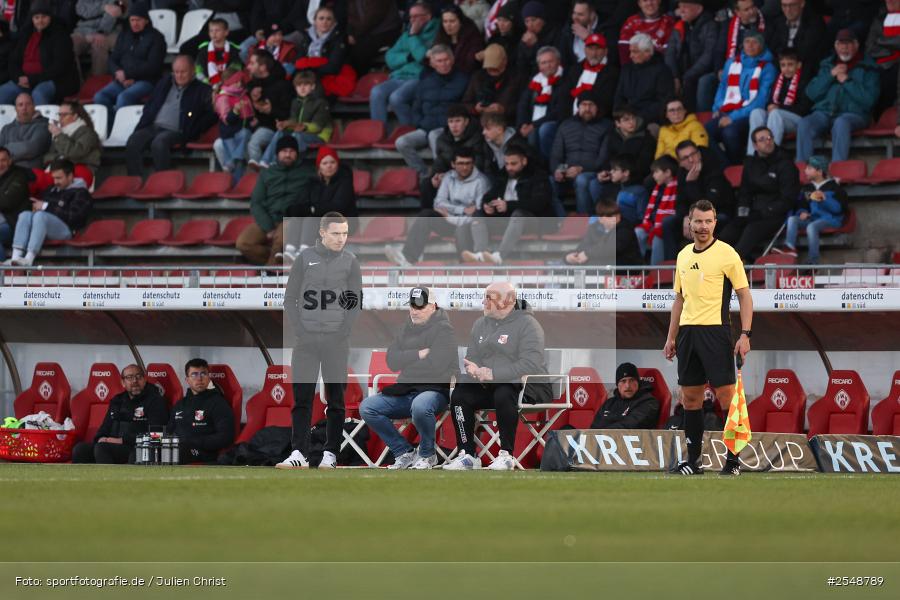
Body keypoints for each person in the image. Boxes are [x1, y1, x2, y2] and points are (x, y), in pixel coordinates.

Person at [664, 198, 754, 476]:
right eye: (698, 221)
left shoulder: (727, 254)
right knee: (689, 398)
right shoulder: (682, 256)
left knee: (726, 397)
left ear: (715, 223)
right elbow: (679, 300)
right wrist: (670, 338)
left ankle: (733, 462)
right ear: (689, 223)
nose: (703, 226)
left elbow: (744, 295)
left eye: (708, 221)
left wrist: (745, 334)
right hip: (688, 334)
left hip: (716, 332)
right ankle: (694, 461)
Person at [279, 212, 362, 470]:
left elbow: (355, 302)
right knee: (302, 399)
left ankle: (330, 454)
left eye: (345, 233)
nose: (341, 238)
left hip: (336, 342)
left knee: (336, 401)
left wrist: (342, 331)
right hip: (306, 342)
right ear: (322, 233)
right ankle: (299, 454)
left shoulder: (351, 261)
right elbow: (290, 298)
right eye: (336, 233)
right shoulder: (304, 259)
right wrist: (300, 331)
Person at [445, 281, 552, 470]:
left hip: (525, 386)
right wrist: (475, 370)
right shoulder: (480, 323)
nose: (483, 302)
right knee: (460, 394)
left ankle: (506, 455)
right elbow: (471, 358)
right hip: (487, 385)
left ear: (506, 301)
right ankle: (467, 454)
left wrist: (493, 373)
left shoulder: (528, 324)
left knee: (504, 389)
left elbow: (530, 363)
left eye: (489, 298)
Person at [359, 286, 459, 470]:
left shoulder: (445, 330)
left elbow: (436, 366)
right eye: (412, 306)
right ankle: (403, 451)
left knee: (420, 406)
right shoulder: (404, 328)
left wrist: (406, 359)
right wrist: (419, 354)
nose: (414, 310)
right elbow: (391, 361)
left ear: (433, 306)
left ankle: (428, 455)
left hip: (436, 390)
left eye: (419, 306)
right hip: (406, 390)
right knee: (367, 407)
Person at [386, 147, 489, 266]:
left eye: (468, 163)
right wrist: (463, 209)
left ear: (473, 164)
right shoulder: (449, 177)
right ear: (453, 164)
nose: (465, 167)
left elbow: (478, 215)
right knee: (427, 215)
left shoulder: (481, 182)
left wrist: (449, 215)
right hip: (450, 222)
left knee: (463, 228)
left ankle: (466, 269)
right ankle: (408, 259)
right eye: (461, 163)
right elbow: (439, 203)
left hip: (468, 226)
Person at [795, 29, 880, 162]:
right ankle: (802, 173)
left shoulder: (868, 67)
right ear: (836, 46)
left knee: (841, 123)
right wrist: (830, 75)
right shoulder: (827, 65)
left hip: (854, 114)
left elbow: (869, 101)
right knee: (805, 123)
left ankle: (838, 172)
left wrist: (847, 81)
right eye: (841, 44)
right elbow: (811, 93)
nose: (844, 47)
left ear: (856, 46)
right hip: (824, 112)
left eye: (848, 44)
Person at [124, 55, 217, 176]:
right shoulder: (164, 83)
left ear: (193, 71)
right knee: (133, 141)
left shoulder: (202, 90)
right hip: (153, 126)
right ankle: (134, 181)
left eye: (183, 72)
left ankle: (163, 182)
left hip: (177, 130)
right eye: (176, 72)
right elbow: (150, 104)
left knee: (159, 142)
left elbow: (211, 115)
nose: (179, 75)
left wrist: (195, 126)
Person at [720, 126, 799, 261]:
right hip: (752, 212)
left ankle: (729, 271)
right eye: (762, 140)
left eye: (769, 138)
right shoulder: (750, 164)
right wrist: (742, 214)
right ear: (755, 145)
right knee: (728, 232)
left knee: (751, 229)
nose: (767, 142)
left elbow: (788, 199)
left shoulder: (786, 164)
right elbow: (744, 193)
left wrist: (763, 213)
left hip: (775, 214)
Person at [463, 145, 552, 264]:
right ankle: (480, 254)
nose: (509, 167)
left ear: (524, 161)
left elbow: (539, 204)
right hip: (506, 221)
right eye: (507, 164)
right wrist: (487, 205)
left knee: (518, 214)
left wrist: (509, 205)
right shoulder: (502, 175)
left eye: (513, 164)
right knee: (478, 214)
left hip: (532, 221)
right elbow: (489, 195)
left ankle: (499, 256)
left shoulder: (538, 176)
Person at [394, 45, 469, 178]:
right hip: (425, 127)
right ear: (433, 63)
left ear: (452, 60)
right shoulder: (426, 82)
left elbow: (465, 106)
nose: (443, 64)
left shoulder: (463, 79)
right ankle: (425, 176)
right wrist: (419, 123)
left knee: (434, 136)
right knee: (401, 142)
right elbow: (416, 107)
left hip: (448, 128)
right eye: (439, 61)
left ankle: (441, 176)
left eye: (446, 60)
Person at [71, 364, 168, 465]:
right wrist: (101, 438)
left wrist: (121, 440)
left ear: (144, 379)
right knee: (80, 450)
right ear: (123, 383)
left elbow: (156, 435)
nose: (135, 381)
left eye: (138, 377)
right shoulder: (117, 400)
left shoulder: (156, 401)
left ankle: (108, 480)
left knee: (102, 448)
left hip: (135, 446)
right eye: (129, 378)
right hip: (112, 445)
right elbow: (105, 426)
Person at [237, 135, 310, 266]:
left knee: (280, 241)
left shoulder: (307, 173)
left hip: (291, 219)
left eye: (292, 151)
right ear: (277, 153)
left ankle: (270, 274)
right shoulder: (267, 173)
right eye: (284, 151)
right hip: (268, 218)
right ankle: (276, 263)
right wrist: (268, 227)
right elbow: (256, 202)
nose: (288, 154)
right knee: (243, 243)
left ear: (297, 154)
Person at [707, 32, 777, 166]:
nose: (750, 45)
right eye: (747, 41)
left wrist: (733, 117)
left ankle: (737, 165)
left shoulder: (768, 68)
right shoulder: (731, 62)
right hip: (726, 110)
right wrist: (717, 107)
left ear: (762, 45)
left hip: (748, 114)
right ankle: (726, 166)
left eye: (755, 42)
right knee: (703, 133)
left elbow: (760, 101)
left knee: (729, 132)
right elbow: (723, 86)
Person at [4, 158, 91, 266]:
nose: (55, 182)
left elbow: (74, 217)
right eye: (54, 178)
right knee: (25, 214)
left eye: (59, 178)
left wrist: (45, 206)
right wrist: (35, 207)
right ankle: (15, 257)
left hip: (67, 231)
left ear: (70, 176)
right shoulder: (51, 190)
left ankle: (29, 258)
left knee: (41, 216)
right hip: (43, 229)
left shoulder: (81, 193)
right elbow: (43, 208)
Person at [369, 2, 439, 125]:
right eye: (411, 17)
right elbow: (390, 58)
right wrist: (407, 57)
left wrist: (413, 36)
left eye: (416, 16)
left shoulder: (436, 32)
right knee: (376, 92)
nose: (412, 20)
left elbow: (422, 56)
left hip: (420, 77)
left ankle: (410, 130)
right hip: (400, 76)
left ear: (428, 16)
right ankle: (378, 133)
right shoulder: (407, 33)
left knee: (396, 98)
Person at [284, 146, 358, 260]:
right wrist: (296, 210)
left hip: (343, 222)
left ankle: (304, 250)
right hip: (321, 223)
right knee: (298, 217)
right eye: (325, 163)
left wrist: (312, 209)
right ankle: (290, 250)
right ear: (319, 166)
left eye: (332, 162)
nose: (329, 166)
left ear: (337, 164)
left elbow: (338, 207)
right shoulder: (313, 183)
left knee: (311, 218)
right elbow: (300, 202)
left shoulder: (345, 181)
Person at [664, 140, 734, 259]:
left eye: (693, 154)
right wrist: (687, 216)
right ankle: (672, 269)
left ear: (699, 154)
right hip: (694, 216)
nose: (691, 160)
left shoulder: (714, 168)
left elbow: (710, 204)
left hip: (719, 213)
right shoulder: (683, 173)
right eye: (686, 158)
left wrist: (691, 184)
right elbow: (680, 203)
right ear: (680, 163)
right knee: (668, 223)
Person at [92, 2, 166, 112]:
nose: (135, 24)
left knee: (123, 97)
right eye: (132, 20)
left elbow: (153, 66)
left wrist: (128, 75)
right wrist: (118, 72)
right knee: (100, 97)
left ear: (146, 20)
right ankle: (112, 126)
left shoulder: (157, 38)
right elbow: (113, 59)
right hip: (122, 80)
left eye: (138, 20)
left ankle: (121, 128)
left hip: (146, 81)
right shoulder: (124, 35)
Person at [773, 155, 848, 263]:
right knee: (792, 219)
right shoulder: (807, 188)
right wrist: (803, 212)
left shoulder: (835, 188)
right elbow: (802, 204)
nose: (805, 171)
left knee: (811, 227)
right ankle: (790, 248)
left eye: (809, 168)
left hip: (831, 219)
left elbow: (838, 210)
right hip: (813, 217)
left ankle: (813, 261)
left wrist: (824, 199)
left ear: (819, 171)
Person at [0, 0, 78, 105]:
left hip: (54, 80)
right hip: (25, 80)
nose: (40, 21)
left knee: (39, 93)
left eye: (44, 17)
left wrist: (32, 79)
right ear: (32, 19)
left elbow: (60, 66)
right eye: (36, 17)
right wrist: (18, 77)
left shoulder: (60, 35)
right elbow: (14, 60)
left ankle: (42, 121)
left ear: (50, 17)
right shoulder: (26, 34)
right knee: (3, 92)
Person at [550, 92, 612, 217]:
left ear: (597, 107)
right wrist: (559, 170)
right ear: (578, 107)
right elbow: (556, 154)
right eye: (584, 105)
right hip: (566, 172)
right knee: (549, 181)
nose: (587, 109)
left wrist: (581, 169)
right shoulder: (566, 125)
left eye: (591, 105)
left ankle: (584, 222)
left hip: (592, 172)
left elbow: (603, 157)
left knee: (582, 180)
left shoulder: (607, 126)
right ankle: (561, 220)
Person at [259, 70, 333, 168]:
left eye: (306, 85)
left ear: (313, 87)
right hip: (300, 133)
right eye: (299, 85)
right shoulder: (295, 102)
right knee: (280, 133)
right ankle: (266, 162)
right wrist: (285, 124)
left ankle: (293, 165)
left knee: (296, 136)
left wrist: (303, 126)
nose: (302, 88)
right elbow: (293, 120)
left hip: (319, 137)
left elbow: (317, 127)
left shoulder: (321, 103)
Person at [168, 358, 236, 464]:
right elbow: (169, 431)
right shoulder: (180, 404)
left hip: (204, 453)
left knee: (178, 452)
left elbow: (226, 436)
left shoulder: (218, 403)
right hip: (178, 448)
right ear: (187, 380)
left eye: (203, 374)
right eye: (194, 374)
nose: (199, 378)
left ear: (209, 378)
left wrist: (194, 442)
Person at [746, 49, 812, 153]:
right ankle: (753, 154)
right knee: (756, 112)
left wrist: (778, 108)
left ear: (798, 65)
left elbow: (804, 109)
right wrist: (770, 106)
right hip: (777, 117)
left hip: (797, 120)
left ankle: (771, 154)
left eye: (790, 64)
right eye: (783, 65)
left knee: (775, 114)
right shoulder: (778, 80)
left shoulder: (805, 81)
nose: (786, 69)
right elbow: (770, 101)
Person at [424, 104, 487, 209]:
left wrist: (450, 176)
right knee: (427, 183)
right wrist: (436, 176)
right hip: (450, 176)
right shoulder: (442, 139)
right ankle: (430, 217)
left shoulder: (477, 137)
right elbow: (440, 162)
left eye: (458, 121)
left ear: (466, 122)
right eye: (450, 121)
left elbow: (479, 164)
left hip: (471, 177)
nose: (454, 126)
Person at [665, 0, 720, 112]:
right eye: (680, 7)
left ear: (699, 9)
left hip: (703, 73)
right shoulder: (679, 25)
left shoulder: (710, 25)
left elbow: (708, 57)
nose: (681, 10)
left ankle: (701, 118)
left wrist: (687, 76)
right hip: (683, 73)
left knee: (702, 81)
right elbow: (670, 53)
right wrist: (675, 76)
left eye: (685, 7)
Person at [245, 49, 293, 170]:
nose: (248, 66)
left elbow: (288, 114)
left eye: (252, 63)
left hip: (275, 128)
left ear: (263, 67)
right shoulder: (252, 85)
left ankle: (261, 175)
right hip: (254, 127)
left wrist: (271, 110)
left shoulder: (283, 86)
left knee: (254, 143)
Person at [516, 45, 566, 161]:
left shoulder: (565, 79)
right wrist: (522, 124)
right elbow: (523, 104)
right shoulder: (535, 80)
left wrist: (534, 125)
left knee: (541, 130)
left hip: (554, 123)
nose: (547, 66)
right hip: (533, 123)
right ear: (538, 65)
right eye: (543, 63)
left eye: (550, 61)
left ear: (558, 61)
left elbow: (559, 110)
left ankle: (546, 165)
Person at [614, 33, 675, 126]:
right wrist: (620, 116)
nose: (630, 56)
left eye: (635, 52)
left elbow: (663, 102)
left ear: (647, 52)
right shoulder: (626, 69)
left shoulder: (662, 71)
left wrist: (638, 118)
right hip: (626, 119)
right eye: (630, 51)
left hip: (650, 121)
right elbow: (619, 96)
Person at [293, 5, 350, 98]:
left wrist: (310, 68)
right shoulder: (307, 37)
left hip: (328, 77)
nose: (325, 22)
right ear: (315, 21)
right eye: (321, 18)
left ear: (334, 22)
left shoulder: (340, 38)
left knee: (312, 88)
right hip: (308, 75)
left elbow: (333, 67)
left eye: (329, 19)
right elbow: (299, 60)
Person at [560, 33, 618, 120]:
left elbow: (608, 102)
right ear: (585, 50)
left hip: (598, 121)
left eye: (598, 49)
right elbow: (564, 96)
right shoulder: (575, 70)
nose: (594, 53)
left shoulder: (612, 73)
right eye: (590, 49)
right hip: (570, 119)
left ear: (606, 51)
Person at [566, 201, 643, 266]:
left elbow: (612, 248)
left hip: (623, 269)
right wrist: (568, 257)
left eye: (617, 215)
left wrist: (587, 254)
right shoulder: (594, 228)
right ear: (600, 218)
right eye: (610, 216)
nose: (616, 218)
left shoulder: (625, 228)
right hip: (600, 266)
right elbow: (582, 247)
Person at [211, 67, 253, 184]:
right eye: (236, 82)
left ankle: (233, 161)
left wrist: (253, 121)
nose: (240, 84)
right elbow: (227, 120)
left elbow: (249, 116)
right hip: (229, 134)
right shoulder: (223, 97)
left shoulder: (244, 95)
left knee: (244, 135)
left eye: (241, 81)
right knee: (237, 161)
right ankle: (235, 182)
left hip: (241, 133)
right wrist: (235, 111)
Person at [635, 156, 678, 266]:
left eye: (656, 172)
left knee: (657, 237)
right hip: (652, 224)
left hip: (665, 227)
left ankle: (656, 275)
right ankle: (636, 270)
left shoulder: (678, 187)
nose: (653, 175)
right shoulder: (657, 188)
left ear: (667, 172)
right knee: (638, 232)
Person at [590, 362, 660, 429]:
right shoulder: (609, 404)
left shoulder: (649, 402)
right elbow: (594, 429)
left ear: (638, 383)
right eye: (623, 381)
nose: (627, 386)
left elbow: (631, 425)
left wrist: (603, 432)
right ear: (617, 385)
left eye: (632, 380)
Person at [42, 101, 101, 179]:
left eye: (64, 115)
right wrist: (59, 158)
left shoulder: (87, 132)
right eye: (59, 114)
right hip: (61, 167)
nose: (60, 118)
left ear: (75, 116)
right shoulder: (61, 132)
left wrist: (59, 135)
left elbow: (75, 152)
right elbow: (47, 156)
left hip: (82, 168)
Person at [461, 43, 522, 118]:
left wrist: (503, 110)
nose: (492, 71)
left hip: (507, 122)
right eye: (489, 67)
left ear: (505, 61)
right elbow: (465, 103)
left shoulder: (516, 78)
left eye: (495, 67)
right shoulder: (477, 77)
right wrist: (475, 109)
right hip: (481, 122)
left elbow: (522, 106)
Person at [767, 0, 828, 69]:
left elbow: (807, 52)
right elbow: (773, 48)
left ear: (802, 3)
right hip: (780, 66)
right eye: (784, 5)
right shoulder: (778, 22)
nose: (788, 10)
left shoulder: (815, 24)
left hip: (805, 68)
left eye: (792, 5)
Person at [346, 0, 402, 75]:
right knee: (343, 45)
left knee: (360, 50)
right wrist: (350, 33)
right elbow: (351, 17)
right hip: (365, 32)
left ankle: (360, 79)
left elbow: (373, 18)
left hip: (386, 31)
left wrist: (355, 35)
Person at [71, 0, 124, 78]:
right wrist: (104, 7)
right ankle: (76, 82)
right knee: (69, 44)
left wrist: (101, 32)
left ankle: (98, 82)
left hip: (108, 31)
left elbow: (113, 13)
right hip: (83, 30)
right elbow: (80, 9)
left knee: (99, 44)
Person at [0, 93, 50, 170]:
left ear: (33, 106)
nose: (24, 108)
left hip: (29, 172)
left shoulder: (44, 125)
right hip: (6, 171)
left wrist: (6, 149)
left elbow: (30, 149)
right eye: (20, 105)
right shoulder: (6, 128)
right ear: (16, 109)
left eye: (28, 104)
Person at [866, 0, 900, 114]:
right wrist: (892, 49)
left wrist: (880, 42)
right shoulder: (879, 19)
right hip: (879, 65)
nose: (890, 1)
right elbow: (870, 47)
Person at [595, 156, 649, 226]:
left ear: (626, 172)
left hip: (625, 228)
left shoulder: (639, 191)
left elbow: (641, 218)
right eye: (611, 169)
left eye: (615, 170)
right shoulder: (613, 188)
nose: (611, 172)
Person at [618, 0, 676, 65]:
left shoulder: (669, 22)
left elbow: (670, 54)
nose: (649, 3)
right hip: (636, 69)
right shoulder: (631, 22)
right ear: (639, 4)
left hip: (660, 68)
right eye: (645, 0)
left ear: (659, 1)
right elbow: (624, 53)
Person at [433, 4, 483, 75]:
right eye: (445, 21)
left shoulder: (472, 35)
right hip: (442, 74)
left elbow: (469, 64)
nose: (448, 25)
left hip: (465, 75)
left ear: (461, 22)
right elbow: (432, 59)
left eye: (452, 21)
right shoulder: (441, 34)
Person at [515, 1, 560, 78]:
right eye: (527, 21)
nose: (530, 25)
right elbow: (521, 66)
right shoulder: (526, 38)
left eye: (533, 20)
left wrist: (536, 44)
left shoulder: (555, 33)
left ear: (542, 19)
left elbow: (552, 61)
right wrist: (523, 46)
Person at [194, 17, 242, 88]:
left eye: (217, 30)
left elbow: (236, 69)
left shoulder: (233, 49)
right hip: (207, 85)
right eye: (211, 31)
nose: (214, 33)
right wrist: (206, 81)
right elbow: (198, 70)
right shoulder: (204, 49)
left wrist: (225, 82)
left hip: (228, 86)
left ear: (226, 32)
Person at [0, 146, 30, 258]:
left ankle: (2, 273)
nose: (0, 164)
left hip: (13, 225)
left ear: (10, 161)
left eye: (3, 160)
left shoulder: (19, 177)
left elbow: (6, 202)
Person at [558, 0, 602, 68]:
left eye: (580, 14)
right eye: (574, 13)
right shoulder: (568, 28)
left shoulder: (607, 29)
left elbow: (609, 59)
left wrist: (589, 39)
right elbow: (563, 60)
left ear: (592, 15)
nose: (575, 17)